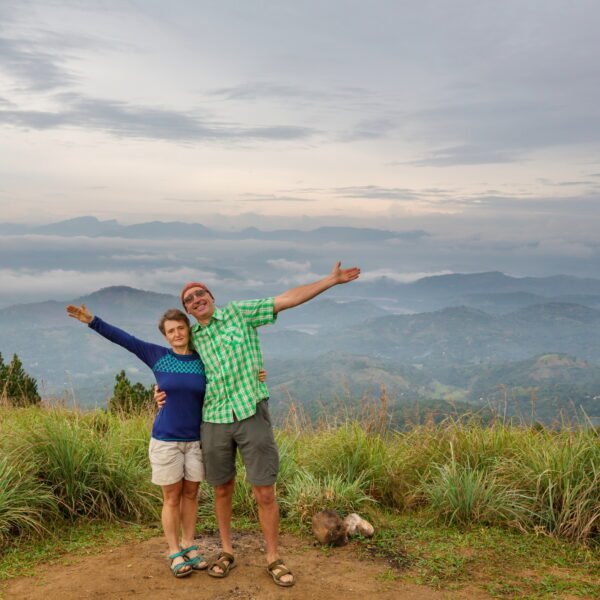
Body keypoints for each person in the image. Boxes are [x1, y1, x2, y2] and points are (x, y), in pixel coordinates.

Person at [156, 261, 360, 587]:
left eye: (200, 293)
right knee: (222, 488)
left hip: (251, 412)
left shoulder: (240, 313)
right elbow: (175, 363)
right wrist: (160, 390)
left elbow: (287, 299)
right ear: (188, 311)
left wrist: (331, 281)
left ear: (211, 296)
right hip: (213, 420)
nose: (196, 299)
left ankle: (273, 557)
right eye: (189, 299)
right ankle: (226, 551)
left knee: (265, 490)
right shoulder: (191, 336)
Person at [66, 304, 264, 578]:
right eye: (171, 331)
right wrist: (92, 321)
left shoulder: (202, 359)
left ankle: (189, 544)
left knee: (192, 494)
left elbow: (231, 371)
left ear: (188, 330)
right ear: (165, 336)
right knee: (172, 497)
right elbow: (125, 339)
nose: (177, 334)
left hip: (196, 439)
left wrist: (257, 375)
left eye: (181, 328)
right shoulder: (157, 356)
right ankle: (174, 551)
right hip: (166, 439)